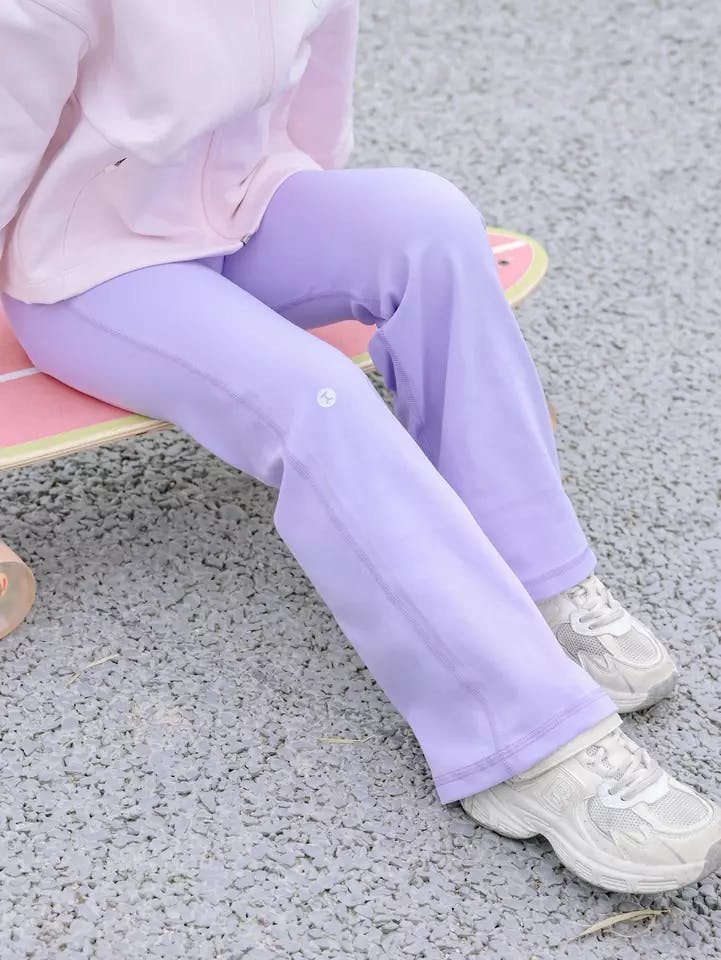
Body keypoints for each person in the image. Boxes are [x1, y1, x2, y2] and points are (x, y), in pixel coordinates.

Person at [1, 0, 718, 895]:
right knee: (317, 396)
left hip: (241, 205)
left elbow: (320, 70)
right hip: (90, 269)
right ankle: (520, 731)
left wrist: (303, 202)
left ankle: (535, 580)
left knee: (430, 222)